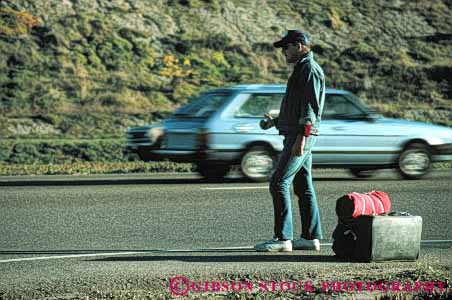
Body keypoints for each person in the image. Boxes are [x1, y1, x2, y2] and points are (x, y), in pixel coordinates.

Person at [254, 30, 325, 252]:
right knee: (303, 186)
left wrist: (301, 139)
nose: (283, 52)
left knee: (279, 182)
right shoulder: (302, 69)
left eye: (286, 47)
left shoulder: (310, 70)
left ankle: (282, 238)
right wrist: (275, 121)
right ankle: (310, 237)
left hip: (300, 136)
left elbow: (311, 108)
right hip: (297, 133)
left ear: (300, 45)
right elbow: (297, 107)